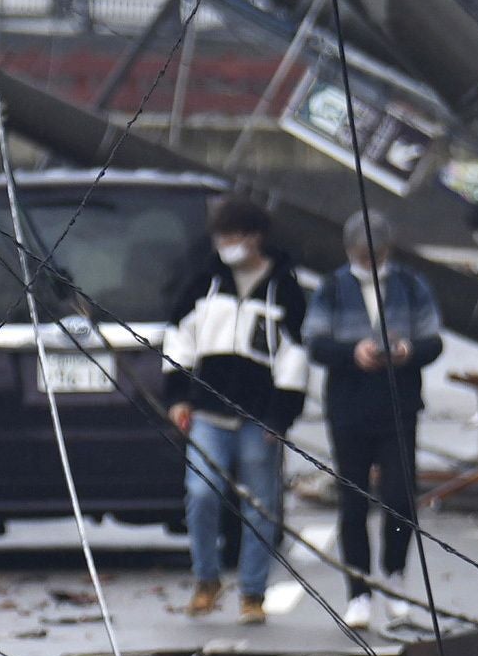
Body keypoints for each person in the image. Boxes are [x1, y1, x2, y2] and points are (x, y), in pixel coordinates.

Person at [160, 194, 304, 622]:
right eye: (222, 236)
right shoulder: (204, 279)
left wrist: (282, 415)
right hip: (206, 409)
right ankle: (206, 579)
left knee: (260, 506)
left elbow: (295, 356)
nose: (227, 244)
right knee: (202, 493)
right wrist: (178, 395)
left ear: (256, 237)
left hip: (259, 415)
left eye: (235, 235)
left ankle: (253, 592)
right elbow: (179, 335)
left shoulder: (284, 288)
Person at [299, 203, 437, 624]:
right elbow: (316, 343)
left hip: (399, 407)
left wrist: (406, 351)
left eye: (375, 255)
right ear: (349, 251)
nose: (369, 261)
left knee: (400, 499)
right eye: (362, 255)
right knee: (353, 501)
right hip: (348, 407)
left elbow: (433, 341)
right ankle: (357, 590)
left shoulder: (411, 285)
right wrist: (353, 353)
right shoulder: (332, 287)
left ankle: (395, 577)